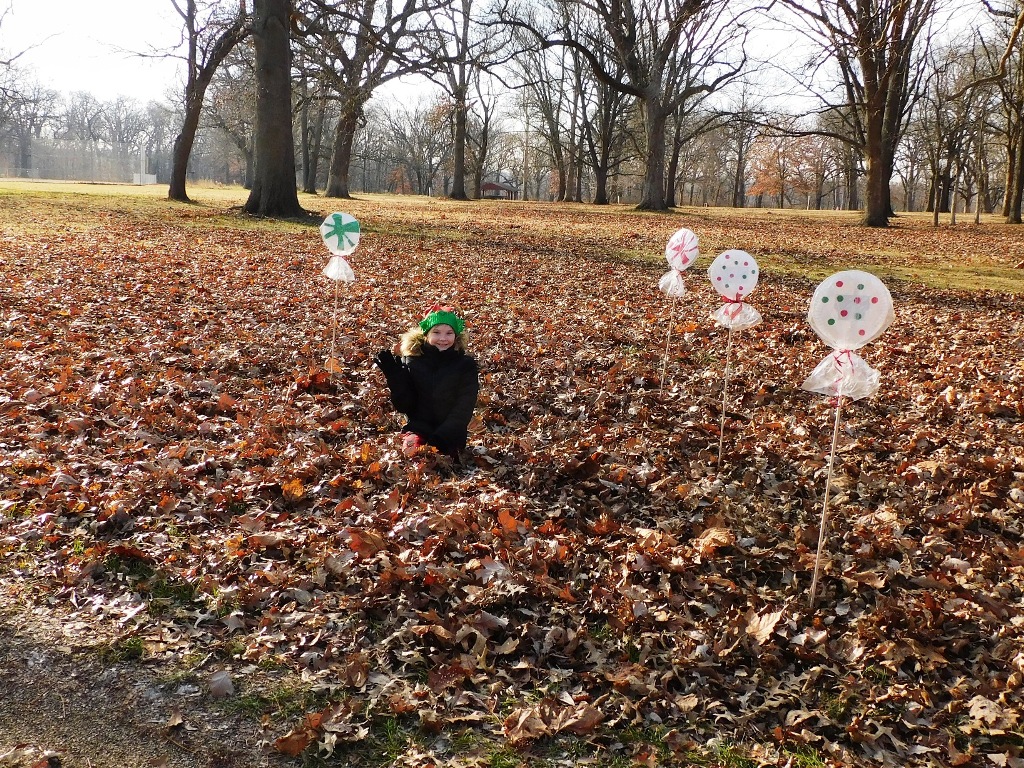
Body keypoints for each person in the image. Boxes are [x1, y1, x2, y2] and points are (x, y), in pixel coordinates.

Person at [374, 305, 479, 460]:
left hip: (450, 433)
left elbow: (464, 407)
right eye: (436, 332)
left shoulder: (465, 365)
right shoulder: (412, 361)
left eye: (449, 333)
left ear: (456, 336)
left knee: (439, 460)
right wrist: (395, 377)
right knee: (413, 456)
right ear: (426, 334)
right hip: (418, 429)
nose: (443, 338)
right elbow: (404, 405)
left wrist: (443, 436)